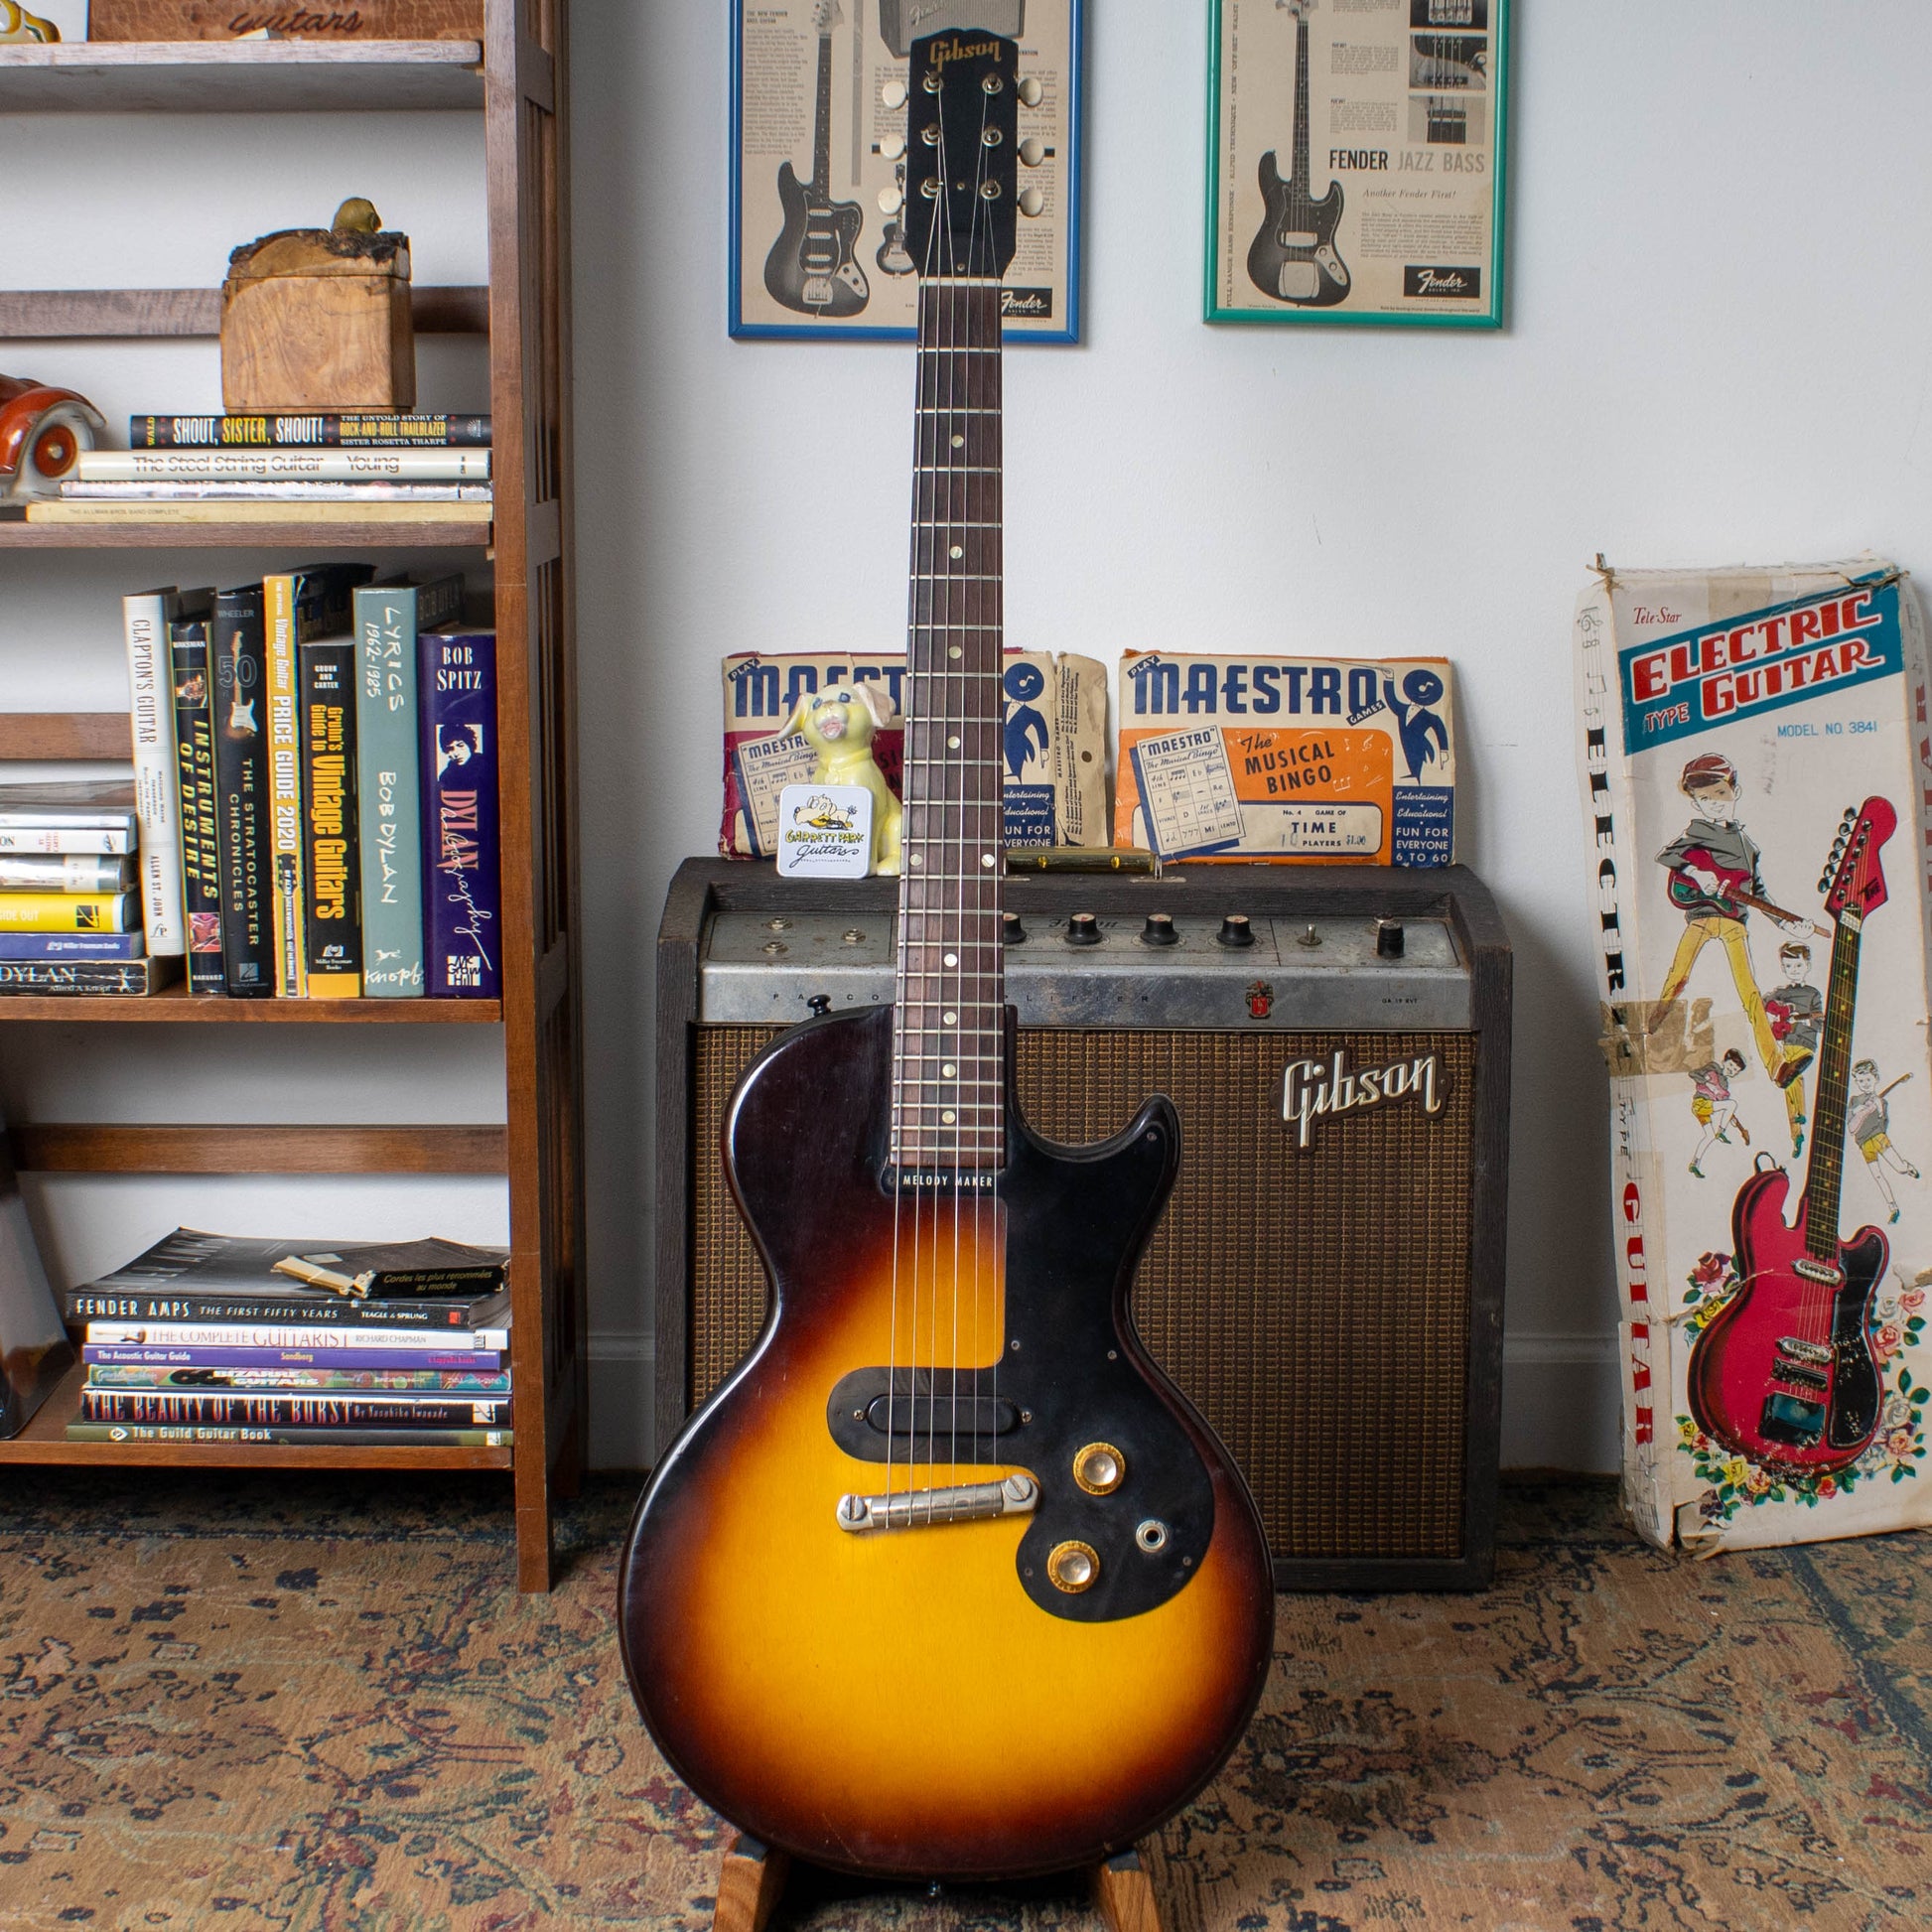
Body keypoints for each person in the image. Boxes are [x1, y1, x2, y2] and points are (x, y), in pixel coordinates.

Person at [1650, 755, 1808, 1093]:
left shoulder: (1748, 846)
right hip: (1701, 917)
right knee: (1678, 976)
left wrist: (1788, 925)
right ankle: (1652, 1029)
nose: (1714, 803)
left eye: (1720, 794)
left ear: (1736, 792)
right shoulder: (1697, 831)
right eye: (1704, 798)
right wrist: (1696, 872)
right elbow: (1666, 855)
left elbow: (1759, 894)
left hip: (1734, 921)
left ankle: (1778, 1067)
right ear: (1695, 802)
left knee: (1750, 992)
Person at [1764, 940, 1824, 1157]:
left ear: (1807, 966)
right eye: (1789, 966)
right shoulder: (1782, 994)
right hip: (1787, 1043)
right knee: (1789, 1082)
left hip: (1805, 1043)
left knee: (1791, 1078)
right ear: (1783, 968)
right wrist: (1773, 1010)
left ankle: (1800, 1115)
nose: (1794, 971)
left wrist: (1802, 1019)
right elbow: (1764, 1003)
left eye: (1798, 966)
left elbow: (1821, 1022)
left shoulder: (1812, 993)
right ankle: (1797, 1133)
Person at [1849, 1058, 1918, 1225]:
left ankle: (1908, 1168)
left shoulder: (1881, 1102)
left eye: (1868, 1079)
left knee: (1899, 1168)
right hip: (1864, 1144)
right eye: (1861, 1081)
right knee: (1878, 1176)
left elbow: (1883, 1123)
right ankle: (1893, 1208)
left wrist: (1877, 1108)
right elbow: (1851, 1128)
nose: (1865, 1084)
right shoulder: (1855, 1101)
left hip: (1878, 1138)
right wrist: (1860, 1111)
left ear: (1876, 1079)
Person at [1687, 1048, 1748, 1178]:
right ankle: (1721, 1132)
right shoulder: (1713, 1068)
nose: (1731, 1070)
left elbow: (1725, 1105)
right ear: (1724, 1062)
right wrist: (1706, 1082)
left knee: (1709, 1136)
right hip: (1700, 1103)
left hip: (1705, 1110)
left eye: (1735, 1070)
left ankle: (1694, 1164)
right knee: (1732, 1104)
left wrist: (1736, 1124)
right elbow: (1693, 1073)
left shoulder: (1724, 1085)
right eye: (1731, 1065)